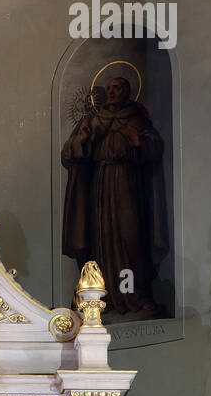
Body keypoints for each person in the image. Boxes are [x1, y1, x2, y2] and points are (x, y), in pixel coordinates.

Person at [61, 75, 168, 316]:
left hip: (128, 182)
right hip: (100, 183)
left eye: (116, 88)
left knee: (132, 236)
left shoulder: (137, 119)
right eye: (108, 88)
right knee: (102, 237)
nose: (111, 92)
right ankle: (104, 295)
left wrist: (139, 143)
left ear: (127, 91)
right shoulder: (94, 119)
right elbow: (69, 151)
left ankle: (137, 295)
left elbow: (156, 147)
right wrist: (83, 140)